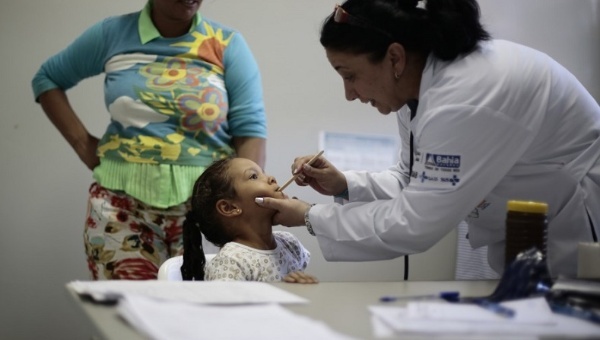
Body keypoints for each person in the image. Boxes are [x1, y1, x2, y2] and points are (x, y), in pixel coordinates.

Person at [255, 0, 600, 278]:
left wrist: (309, 216)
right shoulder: (417, 94)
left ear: (394, 57)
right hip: (530, 225)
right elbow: (413, 179)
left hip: (577, 220)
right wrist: (343, 184)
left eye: (350, 75)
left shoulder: (466, 95)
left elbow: (416, 221)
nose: (350, 94)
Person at [31, 0, 267, 280]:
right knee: (127, 315)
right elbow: (48, 79)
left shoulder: (226, 43)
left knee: (197, 318)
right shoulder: (112, 34)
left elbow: (250, 131)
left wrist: (245, 211)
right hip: (120, 208)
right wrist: (84, 146)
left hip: (205, 213)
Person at [181, 157, 317, 283]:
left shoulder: (289, 243)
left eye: (263, 173)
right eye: (254, 176)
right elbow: (226, 309)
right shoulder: (231, 262)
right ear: (229, 207)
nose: (271, 178)